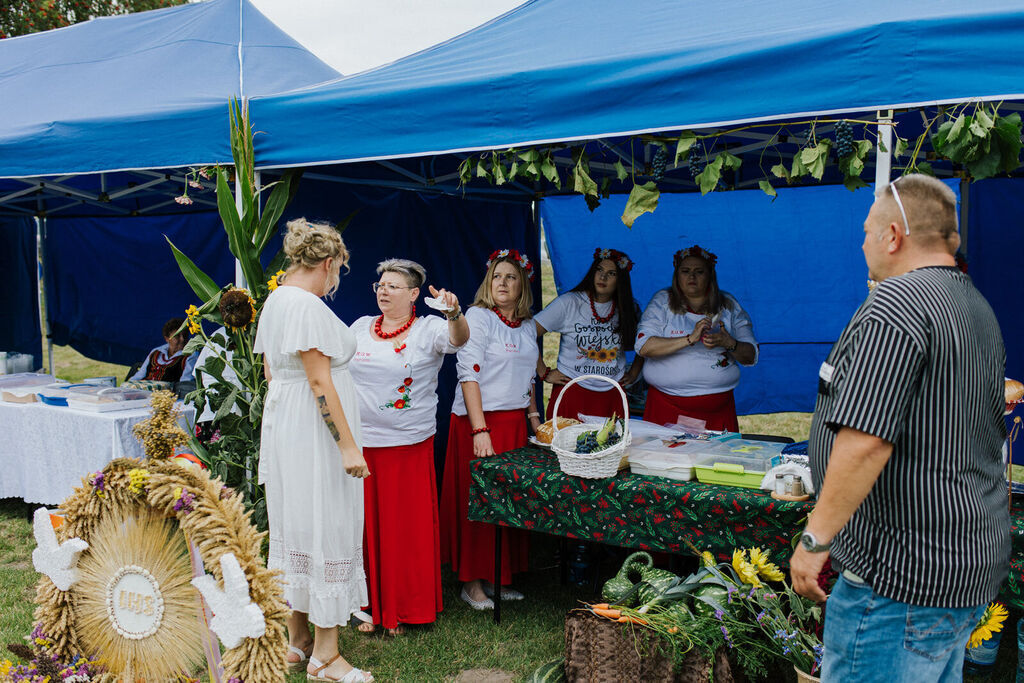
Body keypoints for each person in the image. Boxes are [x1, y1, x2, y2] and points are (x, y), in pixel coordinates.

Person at [790, 175, 1010, 679]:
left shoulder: (898, 304)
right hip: (960, 559)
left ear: (893, 235)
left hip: (902, 574)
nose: (862, 242)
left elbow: (866, 441)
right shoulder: (974, 305)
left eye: (867, 231)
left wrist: (816, 540)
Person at [254, 218, 373, 682]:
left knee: (296, 524)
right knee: (326, 524)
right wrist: (346, 447)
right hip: (315, 435)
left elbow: (270, 372)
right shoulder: (305, 305)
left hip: (288, 425)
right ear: (327, 263)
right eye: (338, 270)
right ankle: (326, 656)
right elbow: (319, 380)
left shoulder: (277, 298)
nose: (336, 280)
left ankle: (297, 639)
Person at [348, 258, 469, 636]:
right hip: (364, 446)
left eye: (393, 286)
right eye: (380, 284)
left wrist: (454, 312)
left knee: (404, 529)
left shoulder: (429, 328)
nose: (383, 290)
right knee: (365, 528)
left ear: (414, 293)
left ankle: (404, 607)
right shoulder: (359, 328)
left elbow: (458, 340)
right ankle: (367, 604)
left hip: (408, 448)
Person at [440, 248, 542, 610]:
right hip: (479, 422)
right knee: (479, 500)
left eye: (510, 277)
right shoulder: (478, 318)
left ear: (522, 285)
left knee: (509, 501)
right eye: (497, 276)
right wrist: (479, 430)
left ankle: (500, 576)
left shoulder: (528, 325)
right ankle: (472, 582)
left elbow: (529, 377)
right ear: (488, 282)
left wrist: (534, 420)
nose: (503, 283)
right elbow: (468, 373)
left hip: (513, 422)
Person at [634, 245, 758, 432]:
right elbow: (643, 346)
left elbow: (751, 356)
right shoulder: (662, 301)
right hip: (667, 405)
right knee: (665, 460)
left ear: (710, 275)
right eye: (685, 271)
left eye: (699, 272)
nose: (691, 277)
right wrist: (690, 338)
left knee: (715, 460)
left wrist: (729, 342)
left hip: (717, 409)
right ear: (677, 275)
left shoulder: (728, 304)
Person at [534, 247, 643, 419]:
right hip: (572, 390)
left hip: (611, 393)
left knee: (611, 444)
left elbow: (646, 341)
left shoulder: (629, 308)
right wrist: (543, 372)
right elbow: (527, 332)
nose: (603, 277)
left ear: (620, 279)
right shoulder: (570, 303)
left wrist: (635, 371)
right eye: (599, 270)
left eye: (611, 273)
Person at [126, 317, 198, 384]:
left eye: (185, 335)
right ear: (167, 338)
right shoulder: (156, 352)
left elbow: (185, 383)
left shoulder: (191, 355)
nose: (182, 339)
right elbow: (139, 375)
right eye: (177, 336)